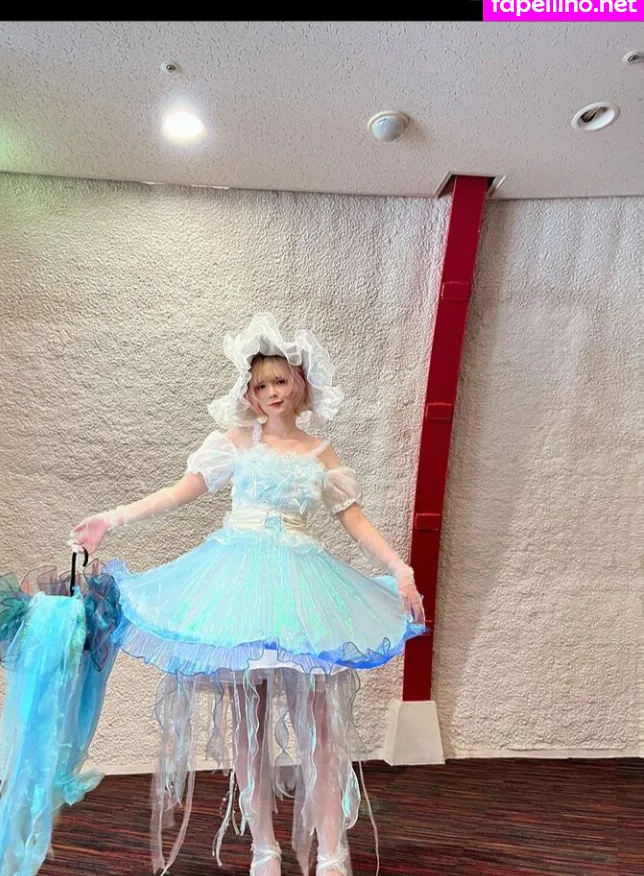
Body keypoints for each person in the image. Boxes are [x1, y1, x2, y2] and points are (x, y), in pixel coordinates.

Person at [70, 313, 426, 876]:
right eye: (260, 385)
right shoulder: (236, 442)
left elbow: (354, 521)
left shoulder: (321, 452)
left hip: (301, 584)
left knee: (319, 722)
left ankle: (332, 852)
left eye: (280, 380)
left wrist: (399, 569)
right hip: (238, 582)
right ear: (249, 393)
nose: (271, 392)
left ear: (299, 383)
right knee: (248, 718)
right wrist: (111, 519)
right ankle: (264, 847)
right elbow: (179, 492)